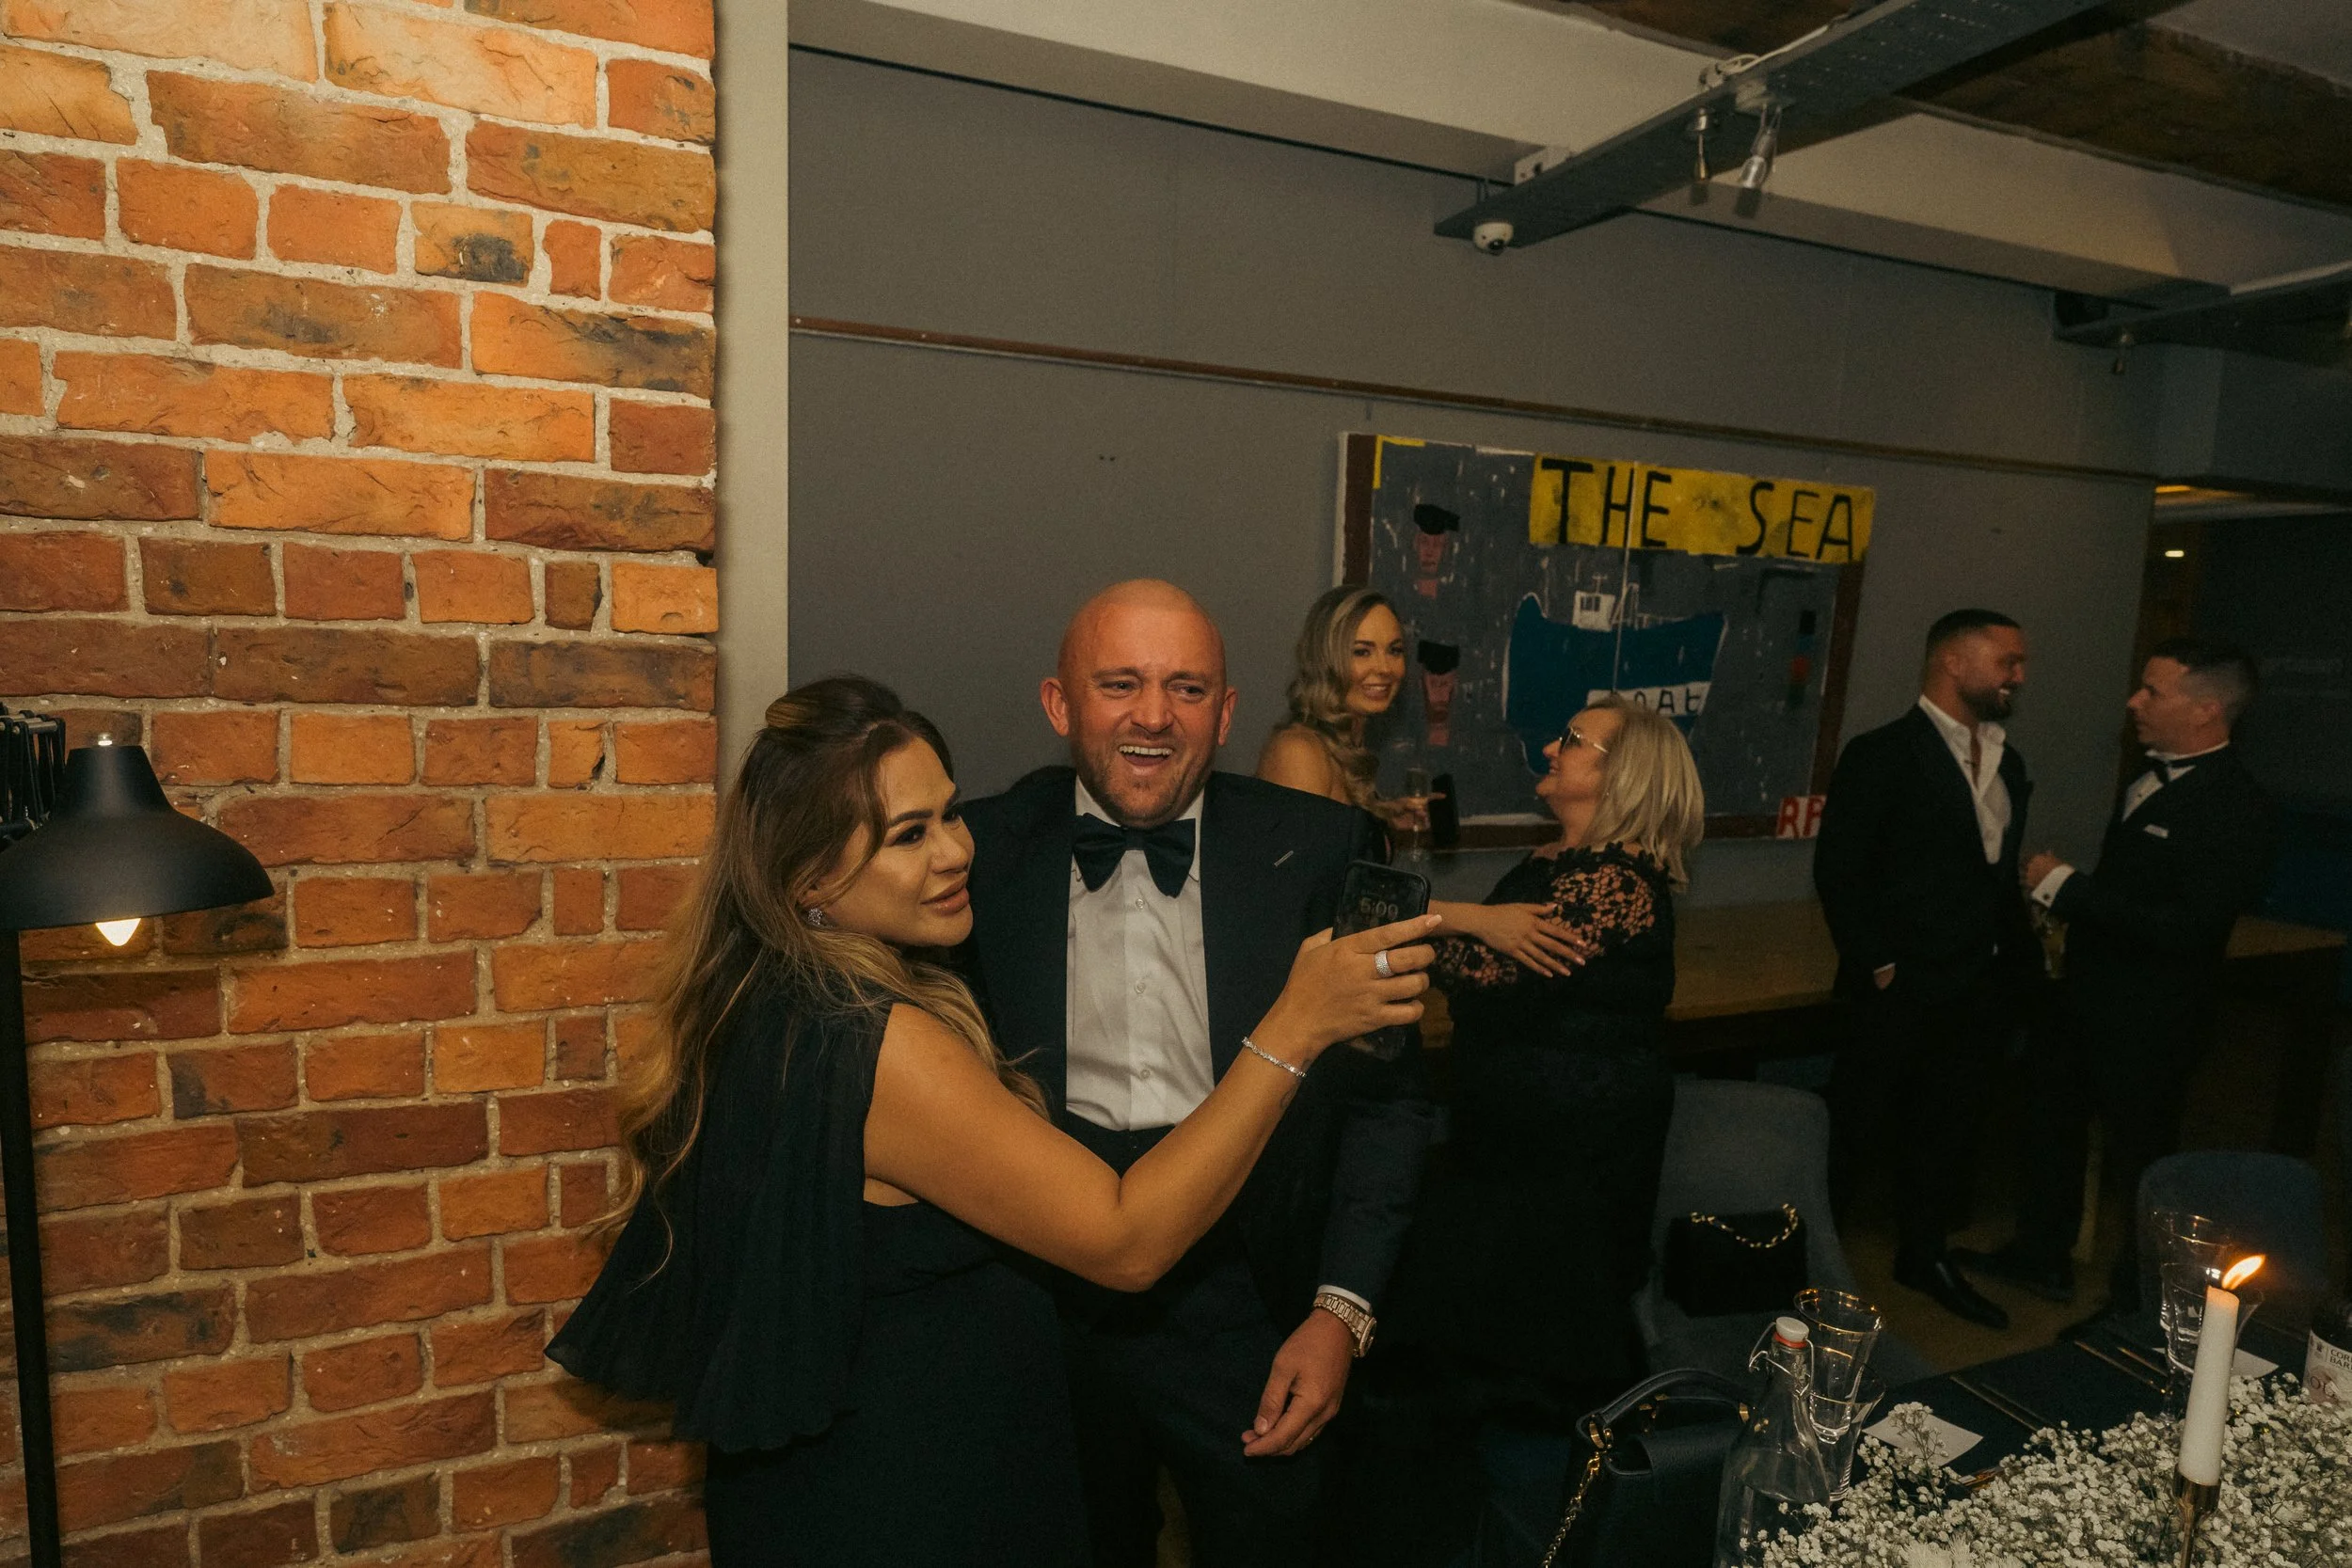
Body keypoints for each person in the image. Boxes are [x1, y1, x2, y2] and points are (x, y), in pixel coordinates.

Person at [548, 676, 1437, 1568]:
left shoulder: (762, 998)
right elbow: (1127, 1240)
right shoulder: (878, 1045)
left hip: (850, 1474)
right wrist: (1294, 1026)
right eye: (909, 834)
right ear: (810, 874)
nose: (955, 850)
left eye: (948, 814)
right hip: (911, 1496)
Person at [958, 580, 1437, 1568]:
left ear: (1224, 713)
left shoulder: (1321, 846)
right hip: (1044, 1296)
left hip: (1250, 1297)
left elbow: (1387, 1106)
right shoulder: (975, 853)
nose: (1151, 714)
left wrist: (1338, 1312)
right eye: (1119, 683)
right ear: (1059, 705)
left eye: (1185, 688)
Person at [1329, 696, 1702, 1566]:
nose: (1551, 742)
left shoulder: (1615, 882)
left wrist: (1461, 919)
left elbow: (1475, 968)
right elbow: (1478, 960)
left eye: (1572, 738)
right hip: (1509, 1166)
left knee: (1435, 1368)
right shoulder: (1559, 860)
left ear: (1621, 772)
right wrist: (1475, 917)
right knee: (1419, 1350)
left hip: (1563, 1190)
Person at [1962, 640, 2274, 1311]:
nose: (2134, 701)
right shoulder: (2147, 775)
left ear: (2206, 709)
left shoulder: (2237, 806)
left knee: (2144, 1161)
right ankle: (2041, 1254)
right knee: (2050, 1130)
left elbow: (2188, 925)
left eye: (2153, 691)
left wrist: (2068, 888)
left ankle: (2139, 1305)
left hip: (2153, 1020)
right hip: (2085, 1002)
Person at [1813, 609, 2040, 1330]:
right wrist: (1881, 965)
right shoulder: (1882, 753)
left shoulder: (2012, 762)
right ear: (1954, 662)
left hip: (1979, 985)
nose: (2019, 676)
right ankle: (1815, 1267)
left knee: (1949, 1127)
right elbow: (1841, 871)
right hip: (1899, 986)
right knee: (1854, 1125)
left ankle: (1924, 1252)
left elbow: (1993, 878)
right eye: (2007, 660)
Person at [1259, 585, 1590, 980]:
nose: (1384, 668)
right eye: (1362, 651)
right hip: (1304, 989)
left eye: (1395, 650)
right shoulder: (1299, 751)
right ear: (1325, 659)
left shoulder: (1346, 749)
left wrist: (1379, 817)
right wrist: (1481, 921)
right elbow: (1334, 899)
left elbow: (1334, 852)